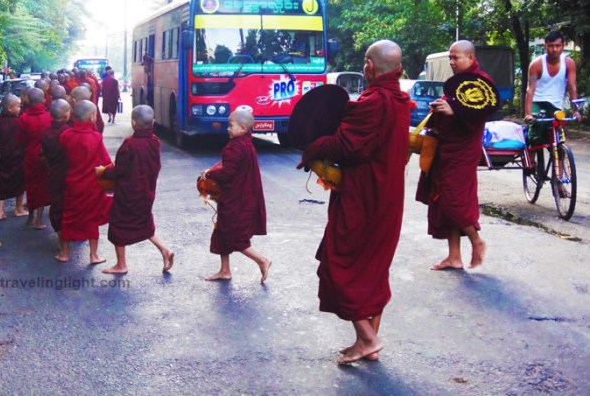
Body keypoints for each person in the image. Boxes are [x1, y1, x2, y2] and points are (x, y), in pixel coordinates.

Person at [297, 40, 411, 364]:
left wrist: (314, 146)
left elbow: (347, 146)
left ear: (370, 66)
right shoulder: (400, 101)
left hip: (364, 197)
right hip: (388, 196)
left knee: (338, 264)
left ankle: (370, 339)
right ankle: (364, 343)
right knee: (372, 269)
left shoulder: (373, 102)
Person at [416, 40, 497, 271]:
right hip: (445, 148)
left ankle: (477, 241)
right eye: (449, 58)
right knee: (443, 199)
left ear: (470, 58)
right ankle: (454, 257)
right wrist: (440, 107)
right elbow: (453, 103)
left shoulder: (482, 82)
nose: (451, 62)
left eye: (456, 58)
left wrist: (455, 110)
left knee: (453, 200)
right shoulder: (455, 83)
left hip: (463, 151)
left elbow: (482, 110)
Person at [95, 104, 174, 274]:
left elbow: (118, 170)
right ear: (152, 122)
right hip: (146, 191)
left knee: (118, 225)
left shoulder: (129, 144)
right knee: (144, 222)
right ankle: (165, 250)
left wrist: (102, 171)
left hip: (127, 193)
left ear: (133, 123)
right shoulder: (154, 141)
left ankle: (121, 265)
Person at [201, 107, 271, 283]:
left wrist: (210, 173)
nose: (227, 128)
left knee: (234, 235)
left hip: (237, 200)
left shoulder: (234, 147)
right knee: (221, 232)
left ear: (242, 128)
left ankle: (262, 260)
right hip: (243, 196)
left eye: (230, 125)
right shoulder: (247, 144)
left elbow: (227, 174)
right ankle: (225, 270)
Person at [57, 100, 112, 264]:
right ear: (91, 117)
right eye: (95, 114)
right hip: (91, 185)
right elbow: (106, 161)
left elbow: (63, 157)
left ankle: (64, 253)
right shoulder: (95, 137)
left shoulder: (65, 135)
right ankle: (93, 255)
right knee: (91, 219)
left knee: (68, 217)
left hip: (72, 183)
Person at [524, 29, 582, 144]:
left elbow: (572, 87)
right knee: (534, 136)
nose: (554, 49)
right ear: (545, 46)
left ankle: (559, 159)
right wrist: (528, 114)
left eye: (557, 46)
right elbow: (530, 90)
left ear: (563, 46)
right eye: (551, 46)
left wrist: (576, 111)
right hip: (538, 102)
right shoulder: (536, 64)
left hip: (556, 105)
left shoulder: (569, 63)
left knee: (557, 140)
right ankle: (532, 161)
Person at [17, 88, 51, 230]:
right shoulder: (49, 117)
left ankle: (30, 217)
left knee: (31, 187)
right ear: (43, 100)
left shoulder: (23, 118)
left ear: (28, 101)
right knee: (42, 188)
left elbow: (20, 141)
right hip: (45, 158)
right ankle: (38, 220)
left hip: (30, 156)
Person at [41, 99, 71, 256]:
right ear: (67, 115)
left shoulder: (45, 133)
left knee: (57, 207)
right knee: (70, 207)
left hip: (53, 174)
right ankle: (70, 239)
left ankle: (62, 241)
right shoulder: (69, 133)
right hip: (69, 176)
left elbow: (43, 156)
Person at [0, 94, 28, 220]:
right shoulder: (18, 122)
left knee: (1, 181)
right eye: (18, 106)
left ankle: (0, 211)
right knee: (20, 181)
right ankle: (18, 208)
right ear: (9, 109)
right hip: (17, 156)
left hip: (1, 155)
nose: (20, 108)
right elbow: (23, 139)